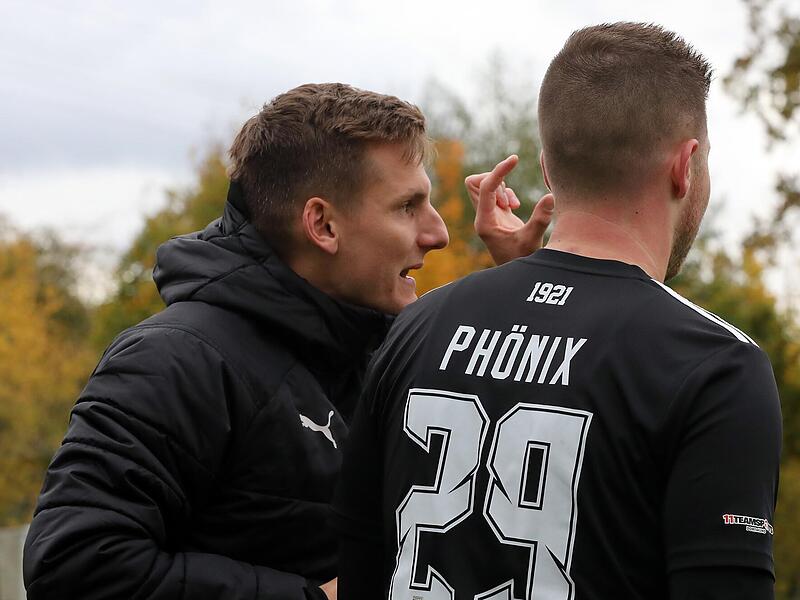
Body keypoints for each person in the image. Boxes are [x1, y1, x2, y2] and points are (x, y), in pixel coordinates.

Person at [333, 23, 782, 600]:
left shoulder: (419, 325)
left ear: (547, 168)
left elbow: (361, 569)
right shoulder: (717, 365)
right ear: (686, 165)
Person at [23, 83, 468, 600]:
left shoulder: (377, 351)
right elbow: (74, 567)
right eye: (408, 207)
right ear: (322, 224)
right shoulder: (175, 360)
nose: (439, 234)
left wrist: (517, 290)